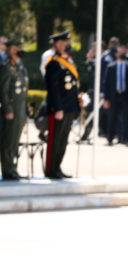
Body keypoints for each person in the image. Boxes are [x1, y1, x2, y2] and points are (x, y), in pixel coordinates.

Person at [43, 30, 80, 179]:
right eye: (64, 43)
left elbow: (72, 85)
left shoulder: (68, 61)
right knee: (55, 139)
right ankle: (51, 169)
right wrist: (58, 108)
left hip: (69, 107)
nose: (66, 45)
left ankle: (58, 167)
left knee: (63, 140)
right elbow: (53, 88)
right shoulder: (53, 63)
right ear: (57, 44)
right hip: (59, 108)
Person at [0, 38, 29, 180]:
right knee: (8, 141)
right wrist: (8, 109)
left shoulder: (20, 65)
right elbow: (3, 91)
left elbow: (23, 90)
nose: (20, 50)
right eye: (17, 47)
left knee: (15, 141)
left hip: (20, 109)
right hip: (12, 110)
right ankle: (7, 169)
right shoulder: (6, 66)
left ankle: (12, 167)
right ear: (11, 49)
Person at [102, 46, 128, 146]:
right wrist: (105, 99)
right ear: (117, 54)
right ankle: (110, 138)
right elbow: (106, 84)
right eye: (120, 52)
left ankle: (127, 139)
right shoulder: (111, 67)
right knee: (111, 118)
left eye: (124, 51)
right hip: (113, 96)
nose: (122, 53)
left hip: (127, 96)